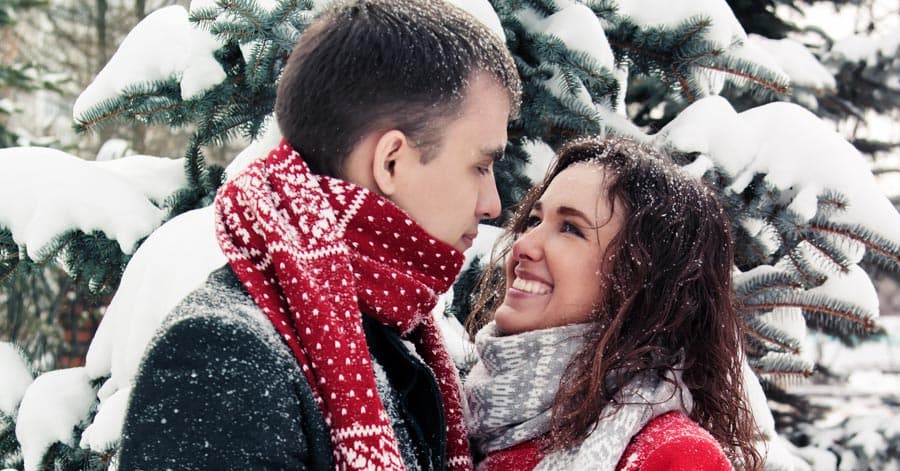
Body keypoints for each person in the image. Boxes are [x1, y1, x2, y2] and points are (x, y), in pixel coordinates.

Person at [118, 1, 521, 469]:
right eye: (481, 166)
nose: (492, 203)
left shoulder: (394, 342)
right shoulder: (223, 358)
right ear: (391, 162)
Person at [464, 136, 763, 471]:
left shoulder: (672, 456)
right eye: (534, 220)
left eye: (570, 229)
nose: (524, 245)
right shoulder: (461, 419)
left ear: (639, 279)